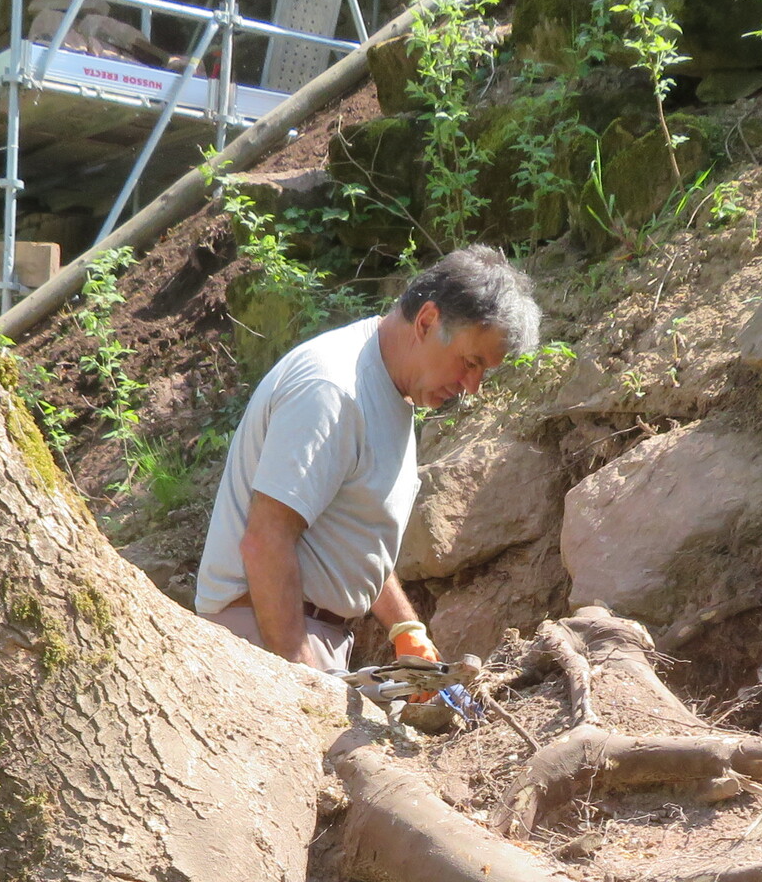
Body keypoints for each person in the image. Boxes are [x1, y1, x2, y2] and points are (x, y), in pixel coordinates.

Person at [195, 246, 538, 672]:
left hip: (303, 633)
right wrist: (304, 679)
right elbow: (266, 541)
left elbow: (352, 536)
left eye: (484, 372)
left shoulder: (390, 392)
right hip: (264, 638)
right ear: (427, 321)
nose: (473, 386)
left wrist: (406, 628)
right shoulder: (333, 388)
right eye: (470, 363)